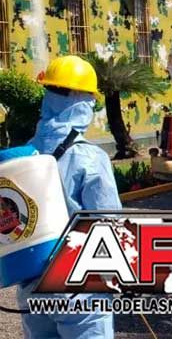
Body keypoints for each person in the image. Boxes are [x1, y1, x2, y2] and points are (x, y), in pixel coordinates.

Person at [19, 55, 122, 339]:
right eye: (89, 98)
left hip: (31, 285)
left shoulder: (25, 154)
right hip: (79, 287)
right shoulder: (90, 157)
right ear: (79, 100)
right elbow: (109, 224)